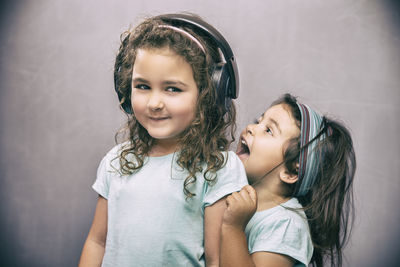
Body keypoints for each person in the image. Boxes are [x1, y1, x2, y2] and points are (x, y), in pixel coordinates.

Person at [79, 13, 248, 267]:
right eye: (143, 86)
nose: (154, 103)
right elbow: (97, 242)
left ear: (209, 94)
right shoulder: (116, 161)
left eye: (172, 89)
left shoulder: (218, 168)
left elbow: (216, 260)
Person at [220, 93, 356, 267]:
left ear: (291, 172)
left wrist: (233, 228)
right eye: (258, 121)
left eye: (268, 130)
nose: (250, 128)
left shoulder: (287, 225)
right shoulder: (232, 192)